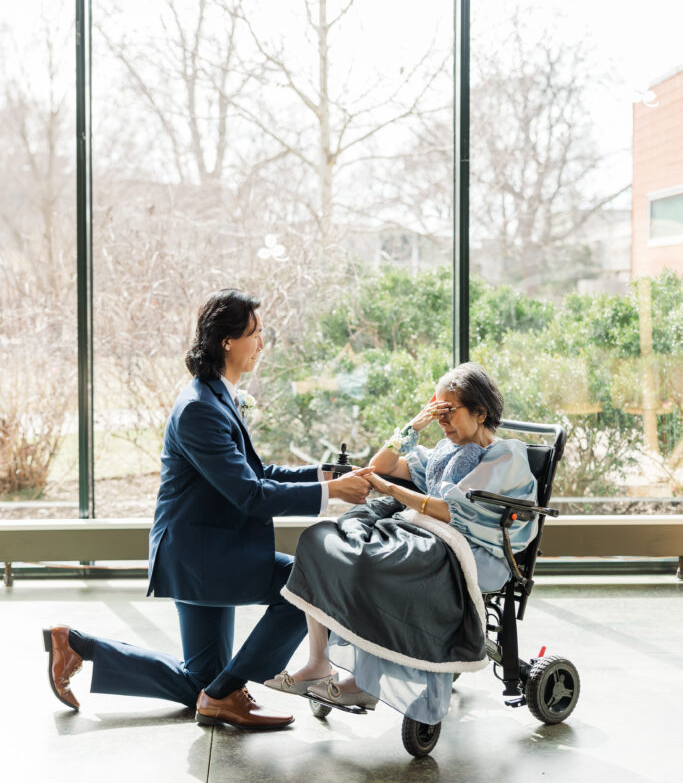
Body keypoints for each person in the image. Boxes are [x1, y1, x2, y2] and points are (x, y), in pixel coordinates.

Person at [43, 289, 373, 730]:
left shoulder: (215, 396)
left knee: (200, 681)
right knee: (309, 585)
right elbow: (250, 495)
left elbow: (256, 472)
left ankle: (77, 645)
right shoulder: (200, 409)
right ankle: (228, 692)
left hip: (200, 550)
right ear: (226, 342)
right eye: (254, 334)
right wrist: (331, 497)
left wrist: (325, 476)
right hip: (204, 555)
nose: (261, 344)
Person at [265, 362, 538, 724]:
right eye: (436, 412)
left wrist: (392, 491)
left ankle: (366, 680)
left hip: (478, 553)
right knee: (323, 543)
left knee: (377, 569)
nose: (442, 422)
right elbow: (379, 467)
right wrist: (414, 426)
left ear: (480, 412)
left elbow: (452, 511)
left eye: (448, 412)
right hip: (430, 535)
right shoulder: (444, 451)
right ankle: (318, 663)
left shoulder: (506, 455)